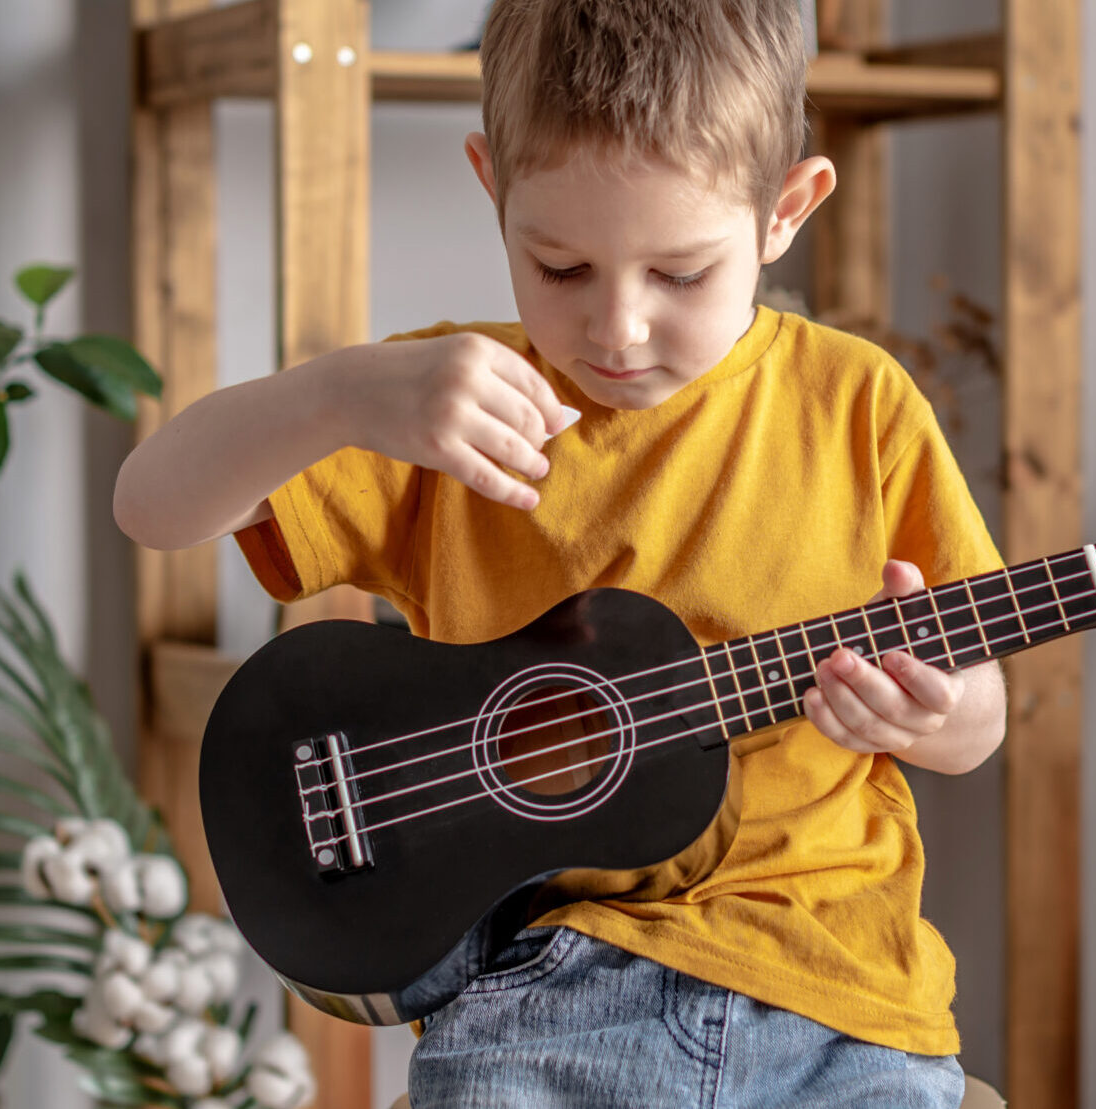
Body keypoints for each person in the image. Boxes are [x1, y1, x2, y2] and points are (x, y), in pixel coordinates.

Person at [113, 1, 1006, 1103]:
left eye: (679, 274)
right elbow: (150, 506)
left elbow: (980, 712)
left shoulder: (858, 405)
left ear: (785, 210)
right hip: (544, 988)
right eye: (560, 267)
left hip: (840, 990)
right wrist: (344, 392)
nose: (615, 328)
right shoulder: (448, 405)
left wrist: (939, 712)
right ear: (491, 187)